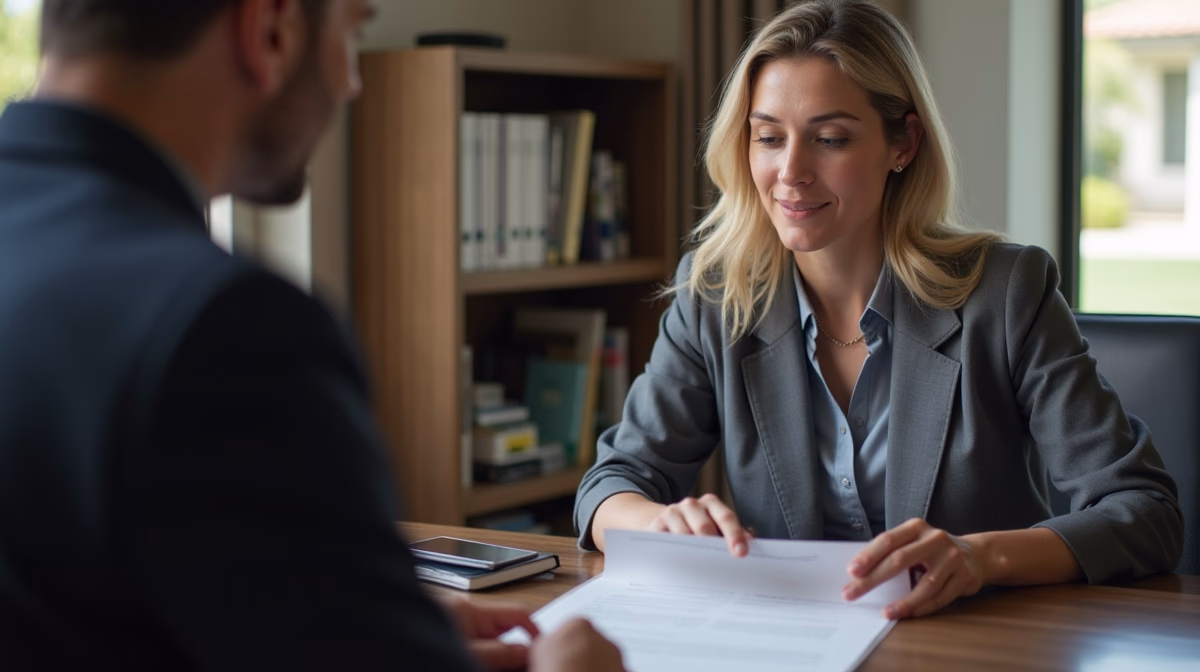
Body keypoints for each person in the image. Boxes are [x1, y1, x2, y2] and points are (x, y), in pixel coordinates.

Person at [0, 1, 623, 670]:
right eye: (353, 31)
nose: (353, 83)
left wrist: (355, 615)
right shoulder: (225, 328)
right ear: (270, 30)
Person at [576, 0, 1183, 620]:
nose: (790, 173)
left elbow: (1144, 512)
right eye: (768, 138)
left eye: (830, 139)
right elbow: (610, 486)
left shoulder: (1006, 293)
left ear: (903, 143)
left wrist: (978, 558)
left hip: (972, 644)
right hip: (792, 646)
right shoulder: (715, 297)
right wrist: (660, 521)